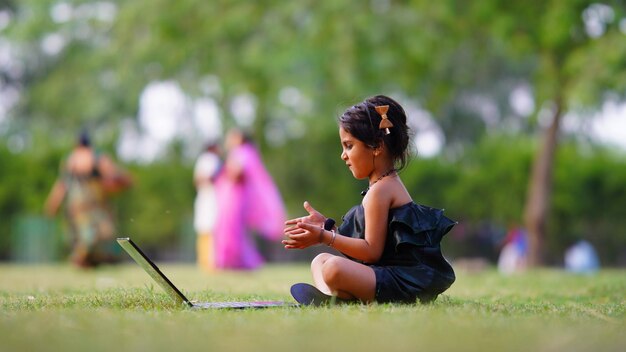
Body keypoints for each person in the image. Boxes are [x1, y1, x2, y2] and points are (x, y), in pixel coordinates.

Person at [283, 95, 457, 306]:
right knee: (320, 261)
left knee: (333, 268)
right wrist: (329, 228)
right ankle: (339, 297)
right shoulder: (384, 185)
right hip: (388, 274)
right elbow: (374, 250)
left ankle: (341, 297)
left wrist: (324, 237)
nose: (343, 155)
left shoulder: (380, 192)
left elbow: (371, 252)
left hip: (401, 282)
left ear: (376, 146)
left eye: (349, 146)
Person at [45, 131, 132, 268]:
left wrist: (52, 206)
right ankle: (86, 258)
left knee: (82, 238)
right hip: (96, 205)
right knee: (103, 235)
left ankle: (84, 259)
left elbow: (62, 185)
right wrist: (127, 180)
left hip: (75, 206)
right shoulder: (97, 157)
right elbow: (114, 176)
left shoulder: (70, 159)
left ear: (76, 144)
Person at [212, 128, 286, 270]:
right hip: (234, 198)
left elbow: (238, 173)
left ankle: (234, 260)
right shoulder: (243, 153)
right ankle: (230, 260)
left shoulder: (243, 153)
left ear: (239, 138)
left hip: (236, 199)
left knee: (233, 229)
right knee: (232, 229)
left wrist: (225, 172)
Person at [193, 142, 221, 272]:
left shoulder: (202, 159)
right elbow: (207, 177)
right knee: (210, 229)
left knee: (206, 230)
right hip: (211, 198)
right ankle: (209, 261)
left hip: (206, 197)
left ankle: (205, 261)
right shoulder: (210, 159)